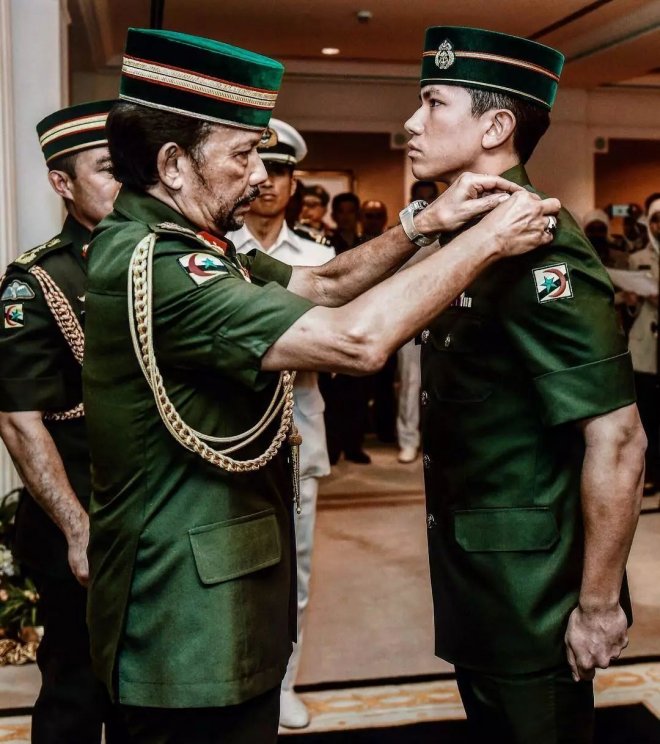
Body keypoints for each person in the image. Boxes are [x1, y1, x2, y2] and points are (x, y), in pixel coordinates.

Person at [82, 27, 559, 744]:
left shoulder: (191, 242)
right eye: (241, 155)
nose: (258, 176)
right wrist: (485, 240)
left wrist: (424, 222)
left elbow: (324, 283)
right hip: (178, 626)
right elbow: (353, 341)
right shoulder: (163, 266)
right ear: (174, 164)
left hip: (221, 599)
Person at [405, 26, 645, 743]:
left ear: (495, 127)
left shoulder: (542, 248)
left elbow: (619, 437)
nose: (412, 123)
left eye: (433, 103)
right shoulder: (470, 235)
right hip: (481, 574)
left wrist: (598, 606)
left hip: (533, 592)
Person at [0, 101, 126, 744]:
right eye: (107, 169)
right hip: (79, 519)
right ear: (62, 183)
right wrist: (78, 530)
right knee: (77, 690)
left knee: (146, 693)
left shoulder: (161, 258)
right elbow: (19, 421)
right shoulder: (37, 281)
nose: (124, 182)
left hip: (149, 518)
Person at [226, 118, 335, 728]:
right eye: (258, 168)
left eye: (281, 172)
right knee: (233, 567)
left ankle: (283, 684)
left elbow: (338, 347)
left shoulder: (320, 258)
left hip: (298, 434)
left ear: (295, 183)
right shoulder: (217, 249)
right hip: (224, 435)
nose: (267, 182)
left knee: (296, 566)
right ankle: (237, 684)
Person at [625, 193, 660, 495]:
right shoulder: (636, 259)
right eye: (656, 220)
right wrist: (633, 301)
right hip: (646, 345)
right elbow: (628, 310)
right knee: (647, 413)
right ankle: (650, 474)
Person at [360, 200, 398, 444]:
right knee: (357, 386)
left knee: (386, 384)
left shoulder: (397, 243)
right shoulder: (353, 246)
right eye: (368, 215)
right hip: (358, 320)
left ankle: (386, 432)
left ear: (384, 218)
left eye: (377, 215)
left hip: (389, 322)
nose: (372, 220)